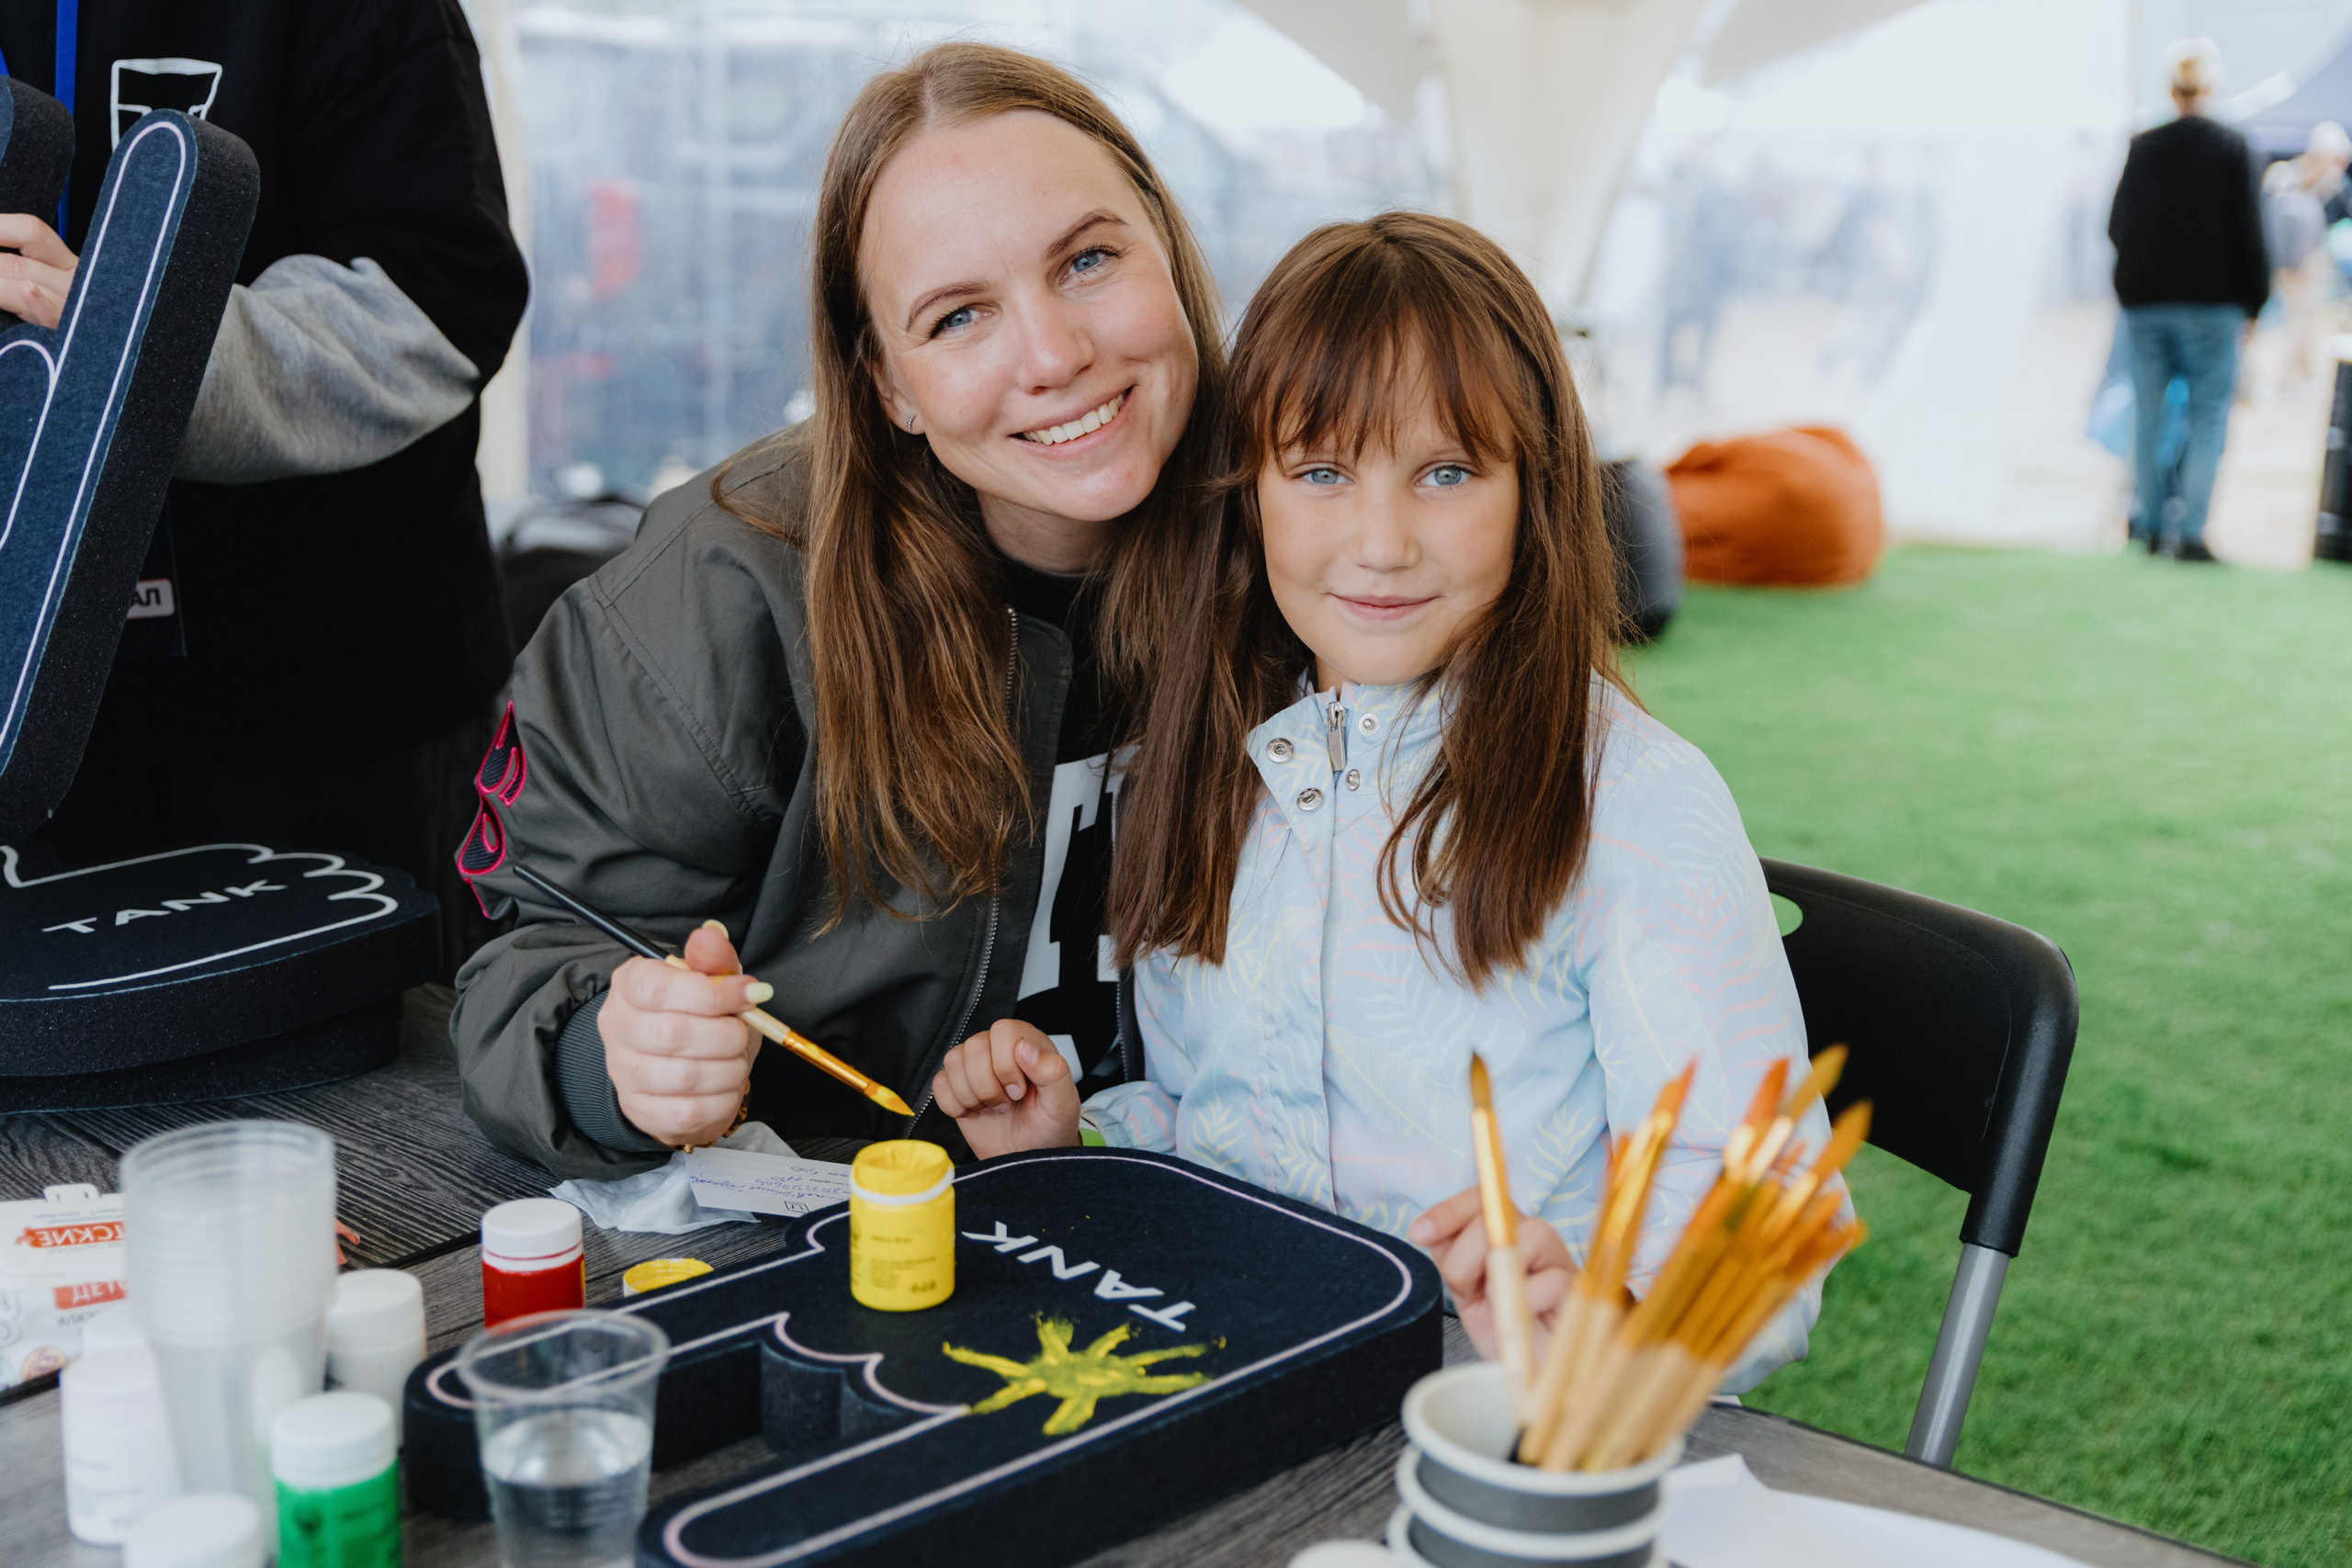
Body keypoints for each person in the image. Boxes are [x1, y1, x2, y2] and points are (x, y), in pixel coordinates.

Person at [930, 212, 1838, 1389]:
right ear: (1248, 499)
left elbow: (1758, 1208)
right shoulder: (1210, 768)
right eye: (1320, 473)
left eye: (1446, 473)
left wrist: (1614, 1317)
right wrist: (1076, 1145)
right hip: (1238, 1380)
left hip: (1496, 1421)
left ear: (1536, 491)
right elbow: (1212, 1112)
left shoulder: (1635, 805)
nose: (1381, 542)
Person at [447, 44, 1224, 1176]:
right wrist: (617, 1059)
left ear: (1170, 246)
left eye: (1089, 260)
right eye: (958, 317)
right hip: (841, 1216)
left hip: (1222, 1202)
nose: (1055, 355)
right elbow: (527, 964)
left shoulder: (1317, 512)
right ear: (887, 385)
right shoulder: (727, 586)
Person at [0, 0, 529, 975]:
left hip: (326, 716)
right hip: (35, 729)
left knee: (371, 1057)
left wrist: (134, 354)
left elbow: (438, 304)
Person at [2108, 39, 2269, 562]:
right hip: (2213, 306)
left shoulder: (2144, 147)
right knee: (2208, 417)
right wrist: (2255, 303)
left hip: (2147, 303)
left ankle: (2151, 526)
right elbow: (2251, 233)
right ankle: (2193, 533)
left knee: (2148, 416)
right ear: (2212, 86)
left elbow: (2117, 225)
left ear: (2171, 89)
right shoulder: (2233, 147)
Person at [2258, 120, 2351, 396]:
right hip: (2287, 262)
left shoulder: (2329, 184)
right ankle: (2281, 380)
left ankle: (2302, 375)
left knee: (2306, 321)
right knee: (2291, 323)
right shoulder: (2286, 176)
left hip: (2309, 259)